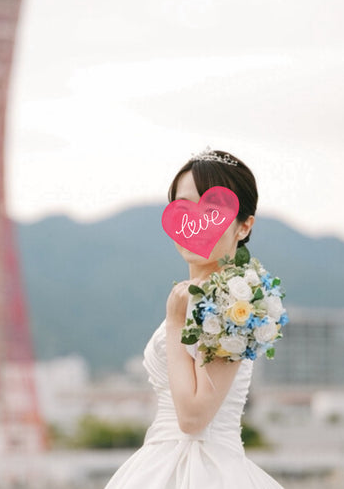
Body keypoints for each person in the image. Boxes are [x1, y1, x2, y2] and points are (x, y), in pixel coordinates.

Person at [104, 148, 284, 488]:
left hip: (207, 470)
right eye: (184, 206)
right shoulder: (196, 293)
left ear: (243, 226)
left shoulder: (234, 300)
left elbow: (193, 417)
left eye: (213, 209)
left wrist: (175, 324)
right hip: (158, 463)